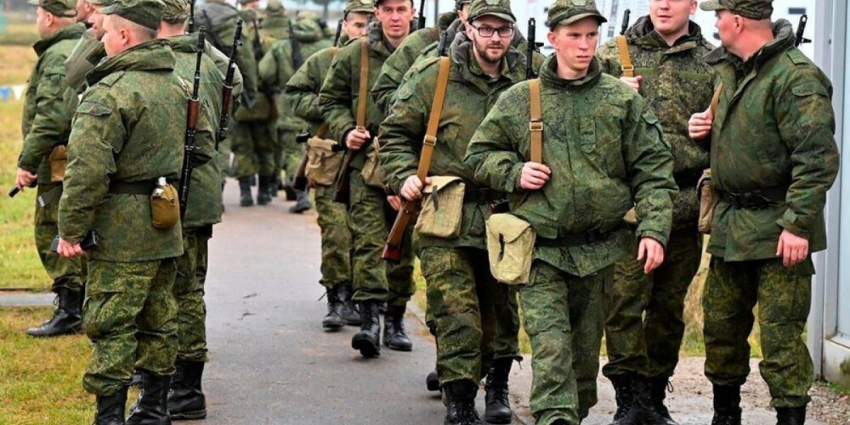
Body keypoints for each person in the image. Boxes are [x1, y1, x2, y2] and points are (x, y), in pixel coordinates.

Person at [464, 0, 677, 422]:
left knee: (582, 363)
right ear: (553, 39)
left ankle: (569, 414)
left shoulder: (620, 99)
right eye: (574, 36)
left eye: (591, 35)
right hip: (541, 251)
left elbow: (653, 169)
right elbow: (479, 154)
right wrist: (515, 172)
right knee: (551, 348)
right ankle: (554, 417)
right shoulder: (521, 99)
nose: (584, 45)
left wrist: (654, 229)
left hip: (599, 254)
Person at [379, 1, 532, 422]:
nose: (495, 38)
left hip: (507, 215)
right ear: (470, 27)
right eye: (487, 28)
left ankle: (496, 384)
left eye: (503, 30)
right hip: (446, 213)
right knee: (455, 310)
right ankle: (460, 400)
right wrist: (403, 176)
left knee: (501, 312)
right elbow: (395, 133)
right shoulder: (436, 75)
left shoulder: (531, 78)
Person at [688, 1, 839, 423]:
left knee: (780, 337)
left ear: (737, 21)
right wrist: (704, 134)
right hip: (732, 224)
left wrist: (797, 225)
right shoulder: (730, 71)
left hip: (779, 228)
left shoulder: (796, 77)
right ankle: (726, 415)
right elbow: (752, 140)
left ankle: (790, 417)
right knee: (721, 328)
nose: (715, 23)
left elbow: (817, 159)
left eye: (719, 15)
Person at [56, 0, 187, 422]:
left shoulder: (110, 92)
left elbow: (86, 171)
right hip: (165, 220)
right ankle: (153, 408)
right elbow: (199, 148)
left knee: (112, 322)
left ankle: (109, 417)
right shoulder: (178, 85)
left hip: (120, 231)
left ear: (125, 36)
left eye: (108, 32)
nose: (104, 40)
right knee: (159, 318)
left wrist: (70, 229)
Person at [594, 0, 714, 422]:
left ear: (693, 5)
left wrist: (711, 131)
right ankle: (628, 398)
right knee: (623, 305)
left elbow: (737, 131)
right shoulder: (612, 55)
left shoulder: (713, 62)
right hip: (630, 208)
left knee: (667, 310)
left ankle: (654, 395)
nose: (664, 4)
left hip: (683, 206)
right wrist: (609, 96)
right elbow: (576, 111)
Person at [319, 0, 418, 358]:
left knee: (402, 244)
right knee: (368, 242)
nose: (395, 17)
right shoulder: (355, 54)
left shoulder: (425, 53)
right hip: (366, 163)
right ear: (377, 13)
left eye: (401, 9)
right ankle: (370, 320)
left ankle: (396, 319)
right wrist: (346, 130)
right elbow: (329, 100)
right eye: (388, 9)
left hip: (409, 165)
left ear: (412, 12)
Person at [154, 0, 231, 419]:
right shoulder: (210, 62)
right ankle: (184, 384)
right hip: (199, 192)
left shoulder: (162, 64)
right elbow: (233, 89)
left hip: (174, 194)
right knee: (189, 289)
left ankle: (181, 384)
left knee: (175, 291)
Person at [284, 0, 372, 331]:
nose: (364, 31)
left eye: (369, 25)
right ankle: (338, 297)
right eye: (358, 24)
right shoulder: (325, 60)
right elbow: (295, 95)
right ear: (345, 25)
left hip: (372, 162)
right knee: (336, 232)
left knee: (368, 235)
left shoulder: (389, 63)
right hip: (331, 159)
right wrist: (333, 108)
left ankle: (369, 300)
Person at [17, 0, 86, 338]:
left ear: (49, 17)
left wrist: (27, 161)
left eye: (37, 13)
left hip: (59, 161)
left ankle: (70, 311)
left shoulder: (58, 55)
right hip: (69, 158)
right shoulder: (76, 46)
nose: (36, 19)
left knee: (54, 230)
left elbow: (52, 117)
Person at [259, 13, 331, 213]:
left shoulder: (282, 46)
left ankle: (300, 194)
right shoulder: (328, 46)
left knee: (292, 152)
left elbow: (265, 73)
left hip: (290, 105)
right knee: (321, 150)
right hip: (321, 106)